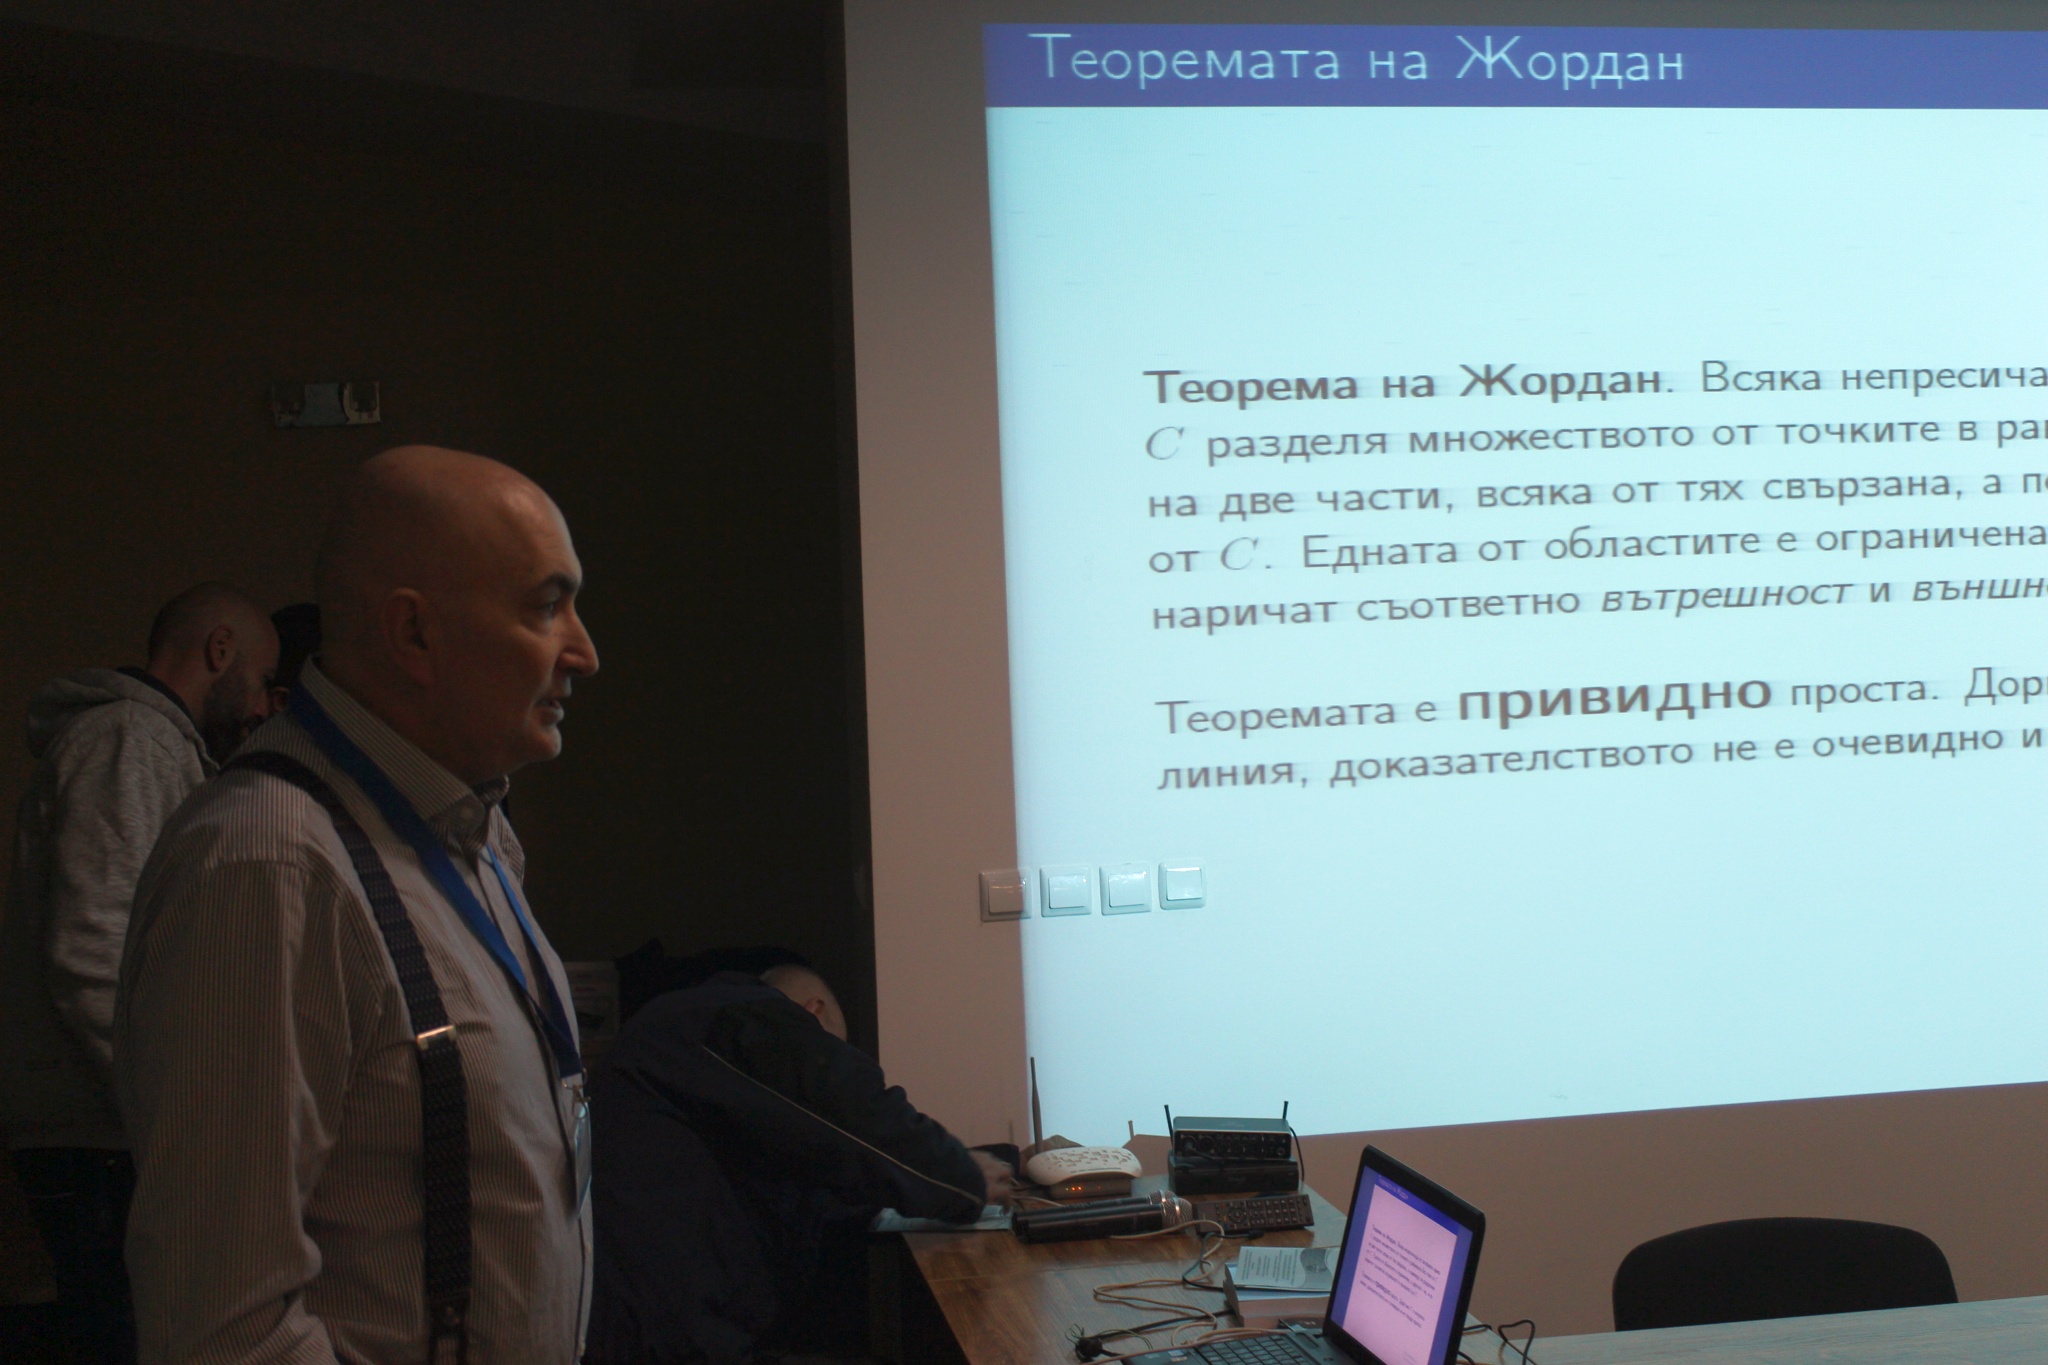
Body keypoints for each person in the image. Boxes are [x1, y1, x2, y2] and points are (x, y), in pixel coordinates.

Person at [116, 446, 600, 1363]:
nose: (584, 651)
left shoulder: (479, 836)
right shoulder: (267, 864)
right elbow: (226, 1329)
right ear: (414, 633)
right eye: (547, 606)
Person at [0, 582, 277, 1365]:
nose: (263, 707)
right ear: (219, 651)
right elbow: (93, 949)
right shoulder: (128, 739)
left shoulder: (150, 747)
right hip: (103, 1141)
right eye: (262, 680)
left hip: (109, 1135)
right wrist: (178, 1113)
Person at [587, 963, 1014, 1365]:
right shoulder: (744, 1016)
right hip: (672, 1334)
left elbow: (822, 1167)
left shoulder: (685, 1036)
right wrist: (963, 1179)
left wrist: (1006, 1159)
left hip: (653, 1320)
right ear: (813, 1012)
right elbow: (853, 1115)